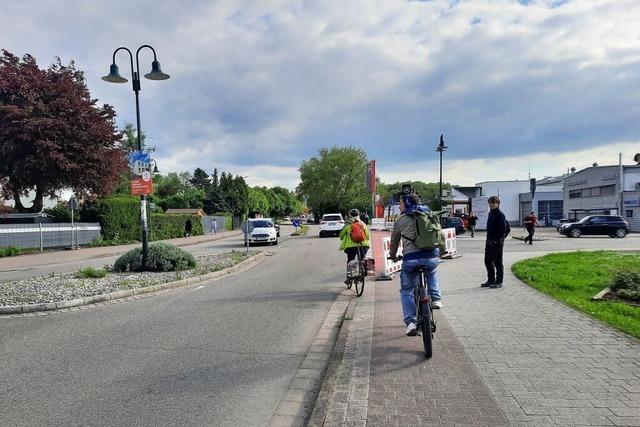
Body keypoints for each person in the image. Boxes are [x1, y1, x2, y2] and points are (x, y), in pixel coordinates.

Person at [389, 193, 443, 337]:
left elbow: (394, 241)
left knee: (407, 290)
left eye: (400, 203)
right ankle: (436, 299)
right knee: (431, 272)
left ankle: (411, 322)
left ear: (406, 204)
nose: (399, 206)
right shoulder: (429, 214)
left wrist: (392, 255)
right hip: (431, 256)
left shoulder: (400, 220)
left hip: (411, 259)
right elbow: (439, 234)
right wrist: (441, 251)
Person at [482, 196, 509, 289]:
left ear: (497, 204)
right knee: (487, 260)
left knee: (498, 262)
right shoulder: (490, 213)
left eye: (493, 203)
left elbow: (504, 230)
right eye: (490, 203)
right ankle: (491, 280)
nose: (491, 205)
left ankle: (499, 281)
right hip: (489, 241)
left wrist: (498, 240)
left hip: (497, 242)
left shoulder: (500, 215)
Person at [339, 209, 371, 285]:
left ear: (350, 215)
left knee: (350, 260)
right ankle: (363, 273)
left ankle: (349, 278)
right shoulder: (362, 223)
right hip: (363, 245)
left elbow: (341, 236)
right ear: (359, 215)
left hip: (351, 247)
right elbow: (368, 236)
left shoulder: (347, 225)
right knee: (363, 258)